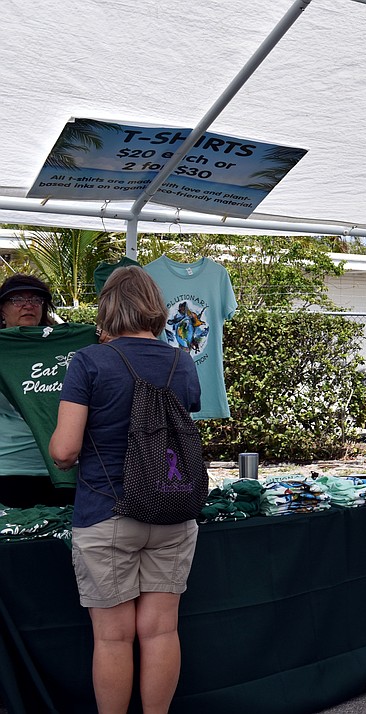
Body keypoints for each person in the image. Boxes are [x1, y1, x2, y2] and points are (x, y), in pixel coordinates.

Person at [49, 266, 201, 714]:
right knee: (161, 631)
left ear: (107, 308)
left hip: (106, 512)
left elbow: (64, 450)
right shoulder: (183, 360)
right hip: (172, 508)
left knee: (113, 637)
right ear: (154, 307)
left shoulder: (88, 361)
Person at [0, 273, 76, 507]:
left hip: (64, 469)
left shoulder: (70, 344)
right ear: (1, 309)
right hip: (10, 468)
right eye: (17, 299)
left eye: (36, 299)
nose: (27, 305)